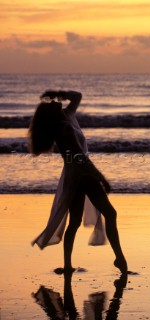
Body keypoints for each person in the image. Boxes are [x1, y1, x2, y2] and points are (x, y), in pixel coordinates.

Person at [29, 90, 127, 274]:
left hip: (75, 174)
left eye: (54, 100)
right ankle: (118, 259)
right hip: (81, 175)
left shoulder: (68, 116)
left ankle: (71, 265)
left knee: (78, 221)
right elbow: (79, 157)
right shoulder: (62, 127)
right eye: (51, 103)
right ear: (51, 113)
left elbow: (78, 96)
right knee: (107, 214)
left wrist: (58, 92)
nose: (54, 102)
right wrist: (101, 177)